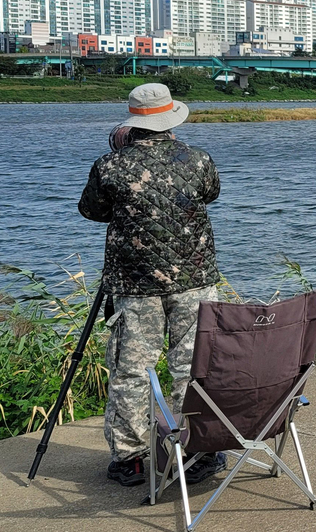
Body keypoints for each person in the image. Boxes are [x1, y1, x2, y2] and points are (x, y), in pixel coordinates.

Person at [79, 83, 224, 487]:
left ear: (131, 124)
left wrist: (121, 157)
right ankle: (196, 450)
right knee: (193, 366)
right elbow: (210, 194)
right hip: (195, 280)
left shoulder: (110, 165)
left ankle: (131, 458)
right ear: (171, 118)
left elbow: (92, 210)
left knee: (131, 370)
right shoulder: (199, 160)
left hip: (134, 283)